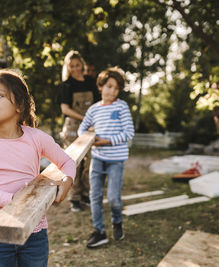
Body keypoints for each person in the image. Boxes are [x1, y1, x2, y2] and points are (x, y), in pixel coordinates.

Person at [0, 68, 76, 267]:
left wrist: (68, 180)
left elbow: (67, 162)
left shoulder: (35, 137)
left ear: (19, 105)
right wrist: (12, 200)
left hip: (35, 232)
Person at [78, 67, 134, 248]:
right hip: (98, 159)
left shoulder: (121, 106)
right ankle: (99, 232)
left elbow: (128, 133)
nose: (112, 91)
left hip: (116, 160)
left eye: (116, 88)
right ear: (101, 86)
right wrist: (88, 139)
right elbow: (82, 128)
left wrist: (107, 141)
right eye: (109, 86)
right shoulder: (94, 109)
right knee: (95, 197)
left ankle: (117, 221)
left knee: (113, 198)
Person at [58, 50, 100, 212]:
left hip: (90, 128)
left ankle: (86, 195)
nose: (75, 69)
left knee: (89, 162)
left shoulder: (90, 82)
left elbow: (98, 104)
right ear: (68, 67)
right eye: (72, 66)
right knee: (74, 163)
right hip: (73, 129)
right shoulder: (66, 85)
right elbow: (65, 109)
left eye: (78, 65)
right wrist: (85, 118)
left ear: (82, 65)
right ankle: (74, 198)